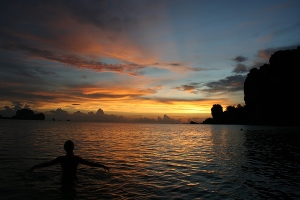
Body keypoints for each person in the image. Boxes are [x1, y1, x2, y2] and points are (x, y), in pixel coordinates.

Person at [27, 140, 109, 182]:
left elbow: (48, 164)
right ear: (73, 148)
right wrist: (102, 165)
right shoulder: (76, 159)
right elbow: (90, 164)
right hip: (74, 179)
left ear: (64, 149)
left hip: (64, 179)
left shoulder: (61, 159)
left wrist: (35, 167)